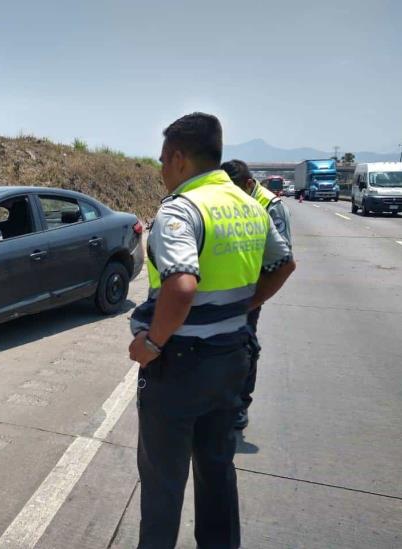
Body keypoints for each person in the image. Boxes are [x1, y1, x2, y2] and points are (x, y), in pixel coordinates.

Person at [128, 112, 295, 548]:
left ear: (180, 159)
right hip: (230, 359)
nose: (162, 169)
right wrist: (242, 306)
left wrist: (152, 342)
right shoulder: (249, 204)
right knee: (218, 470)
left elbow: (181, 285)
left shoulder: (182, 209)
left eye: (163, 159)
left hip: (179, 365)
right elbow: (284, 264)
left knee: (163, 483)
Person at [220, 159, 293, 429]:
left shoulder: (271, 207)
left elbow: (283, 263)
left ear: (250, 184)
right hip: (221, 289)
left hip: (249, 293)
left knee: (244, 349)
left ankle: (240, 404)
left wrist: (253, 300)